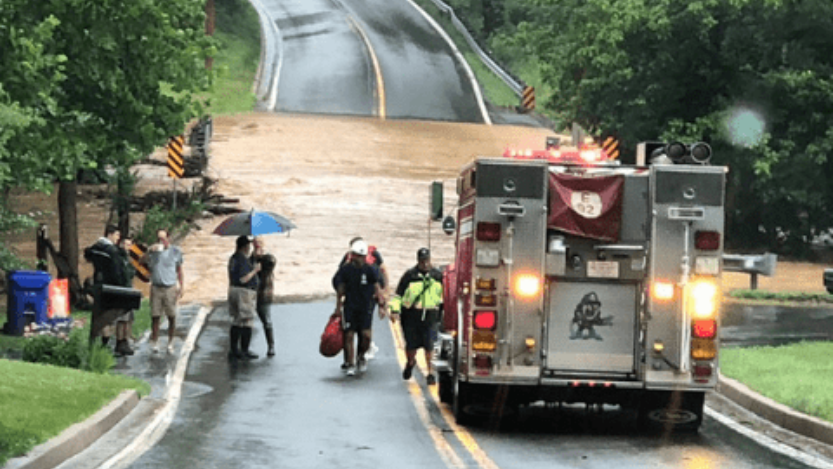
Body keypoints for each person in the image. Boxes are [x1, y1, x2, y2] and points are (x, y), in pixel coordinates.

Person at [389, 247, 443, 385]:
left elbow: (446, 296)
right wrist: (394, 310)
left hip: (431, 315)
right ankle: (410, 363)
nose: (425, 264)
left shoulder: (437, 276)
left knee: (429, 346)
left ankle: (430, 373)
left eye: (427, 260)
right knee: (411, 346)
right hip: (411, 316)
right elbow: (398, 295)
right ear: (418, 261)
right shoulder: (409, 276)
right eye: (422, 261)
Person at [333, 236, 389, 368]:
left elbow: (377, 286)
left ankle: (361, 356)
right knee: (349, 334)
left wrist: (382, 304)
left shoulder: (370, 270)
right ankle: (349, 362)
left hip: (366, 306)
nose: (359, 258)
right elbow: (339, 289)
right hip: (350, 306)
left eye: (361, 256)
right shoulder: (345, 269)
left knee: (366, 335)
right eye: (357, 255)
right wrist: (338, 307)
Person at [84, 225, 124, 349]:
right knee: (108, 315)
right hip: (110, 285)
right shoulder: (112, 251)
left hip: (98, 283)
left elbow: (87, 255)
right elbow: (117, 271)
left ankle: (93, 342)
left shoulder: (95, 248)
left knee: (97, 312)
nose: (118, 238)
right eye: (117, 235)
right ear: (110, 234)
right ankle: (104, 343)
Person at [145, 228, 184, 354]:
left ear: (169, 239)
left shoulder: (175, 251)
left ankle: (170, 342)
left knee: (171, 316)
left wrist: (182, 286)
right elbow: (141, 262)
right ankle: (155, 341)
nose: (161, 241)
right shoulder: (153, 252)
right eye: (159, 239)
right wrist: (149, 251)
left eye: (163, 238)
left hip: (170, 287)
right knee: (155, 316)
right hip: (156, 287)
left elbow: (179, 270)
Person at [228, 235, 260, 359]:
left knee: (236, 320)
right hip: (243, 293)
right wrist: (255, 271)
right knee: (247, 321)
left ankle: (234, 349)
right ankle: (244, 350)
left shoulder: (233, 258)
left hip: (233, 290)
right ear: (245, 247)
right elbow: (243, 279)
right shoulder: (242, 260)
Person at [251, 236, 277, 357]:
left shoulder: (267, 259)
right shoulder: (250, 259)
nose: (256, 245)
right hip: (250, 294)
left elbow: (270, 263)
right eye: (254, 243)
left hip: (263, 294)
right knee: (246, 320)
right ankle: (245, 347)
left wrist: (259, 257)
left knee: (266, 320)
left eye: (258, 243)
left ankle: (271, 346)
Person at [113, 235, 137, 356]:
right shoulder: (119, 257)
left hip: (129, 290)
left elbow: (132, 272)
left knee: (128, 319)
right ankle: (119, 342)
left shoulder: (128, 258)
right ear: (121, 244)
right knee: (121, 318)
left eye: (129, 245)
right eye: (126, 244)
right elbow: (125, 273)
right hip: (121, 290)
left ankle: (124, 341)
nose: (127, 247)